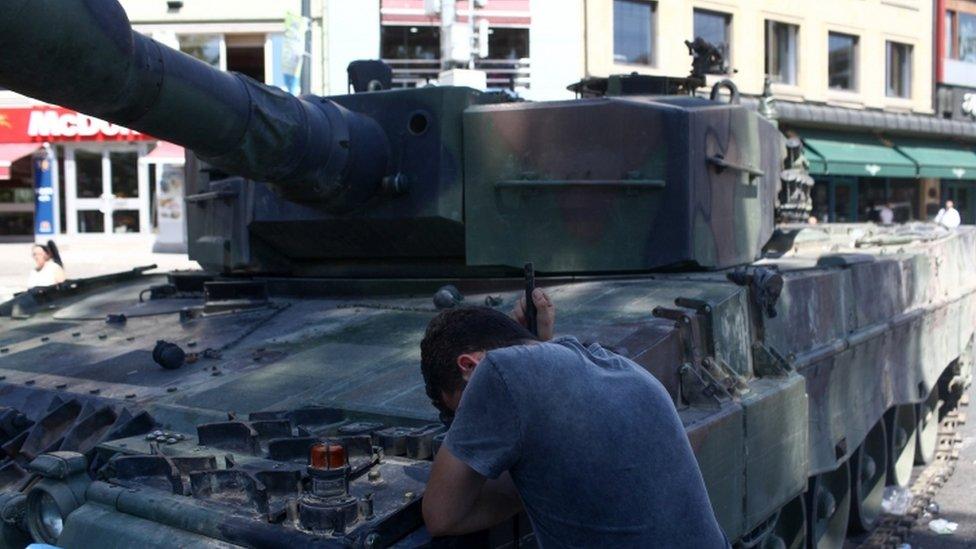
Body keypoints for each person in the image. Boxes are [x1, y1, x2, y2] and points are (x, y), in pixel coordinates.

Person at [420, 290, 728, 547]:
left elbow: (441, 515)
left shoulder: (496, 373)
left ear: (468, 366)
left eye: (461, 412)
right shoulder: (617, 365)